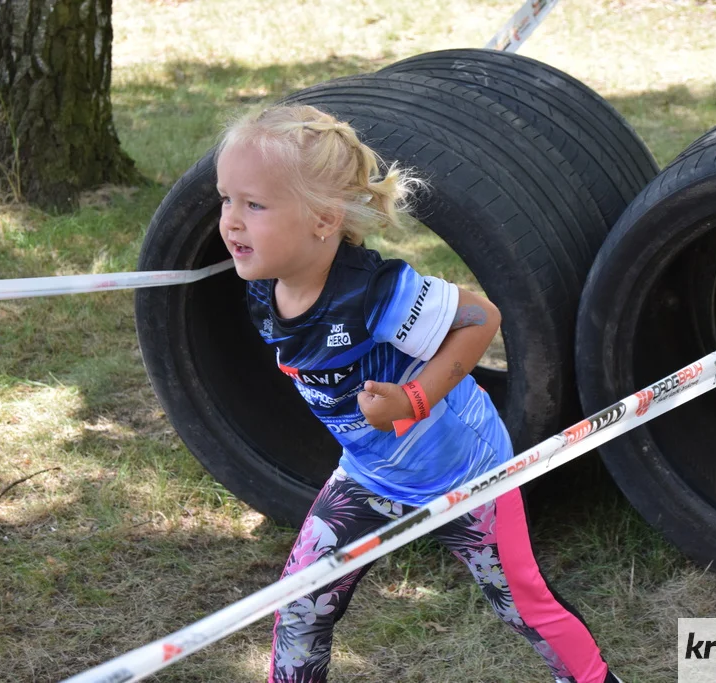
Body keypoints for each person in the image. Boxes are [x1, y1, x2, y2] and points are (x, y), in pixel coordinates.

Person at [215, 103, 619, 683]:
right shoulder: (263, 290)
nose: (230, 221)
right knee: (301, 603)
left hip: (468, 475)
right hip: (368, 476)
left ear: (324, 219)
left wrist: (415, 401)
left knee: (522, 606)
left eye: (254, 205)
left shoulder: (377, 295)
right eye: (226, 198)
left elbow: (481, 317)